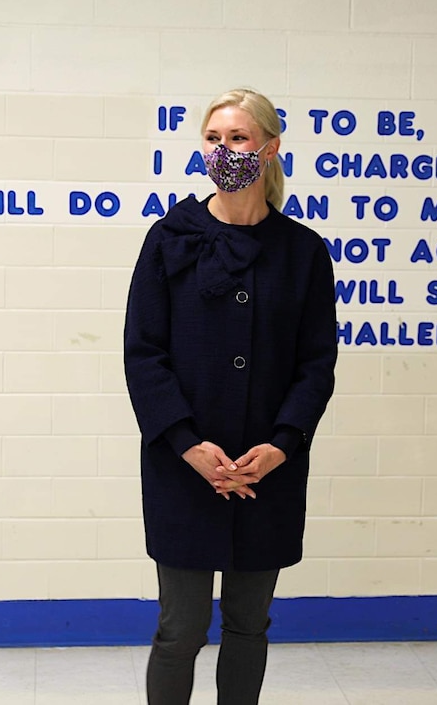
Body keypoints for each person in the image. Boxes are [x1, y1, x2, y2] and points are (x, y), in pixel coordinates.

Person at [123, 88, 337, 704]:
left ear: (270, 149)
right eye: (213, 139)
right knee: (180, 628)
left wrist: (281, 445)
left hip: (267, 468)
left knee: (249, 625)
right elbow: (144, 356)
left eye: (239, 139)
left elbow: (316, 364)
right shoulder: (169, 239)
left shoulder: (302, 252)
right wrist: (189, 446)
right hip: (183, 466)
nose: (225, 151)